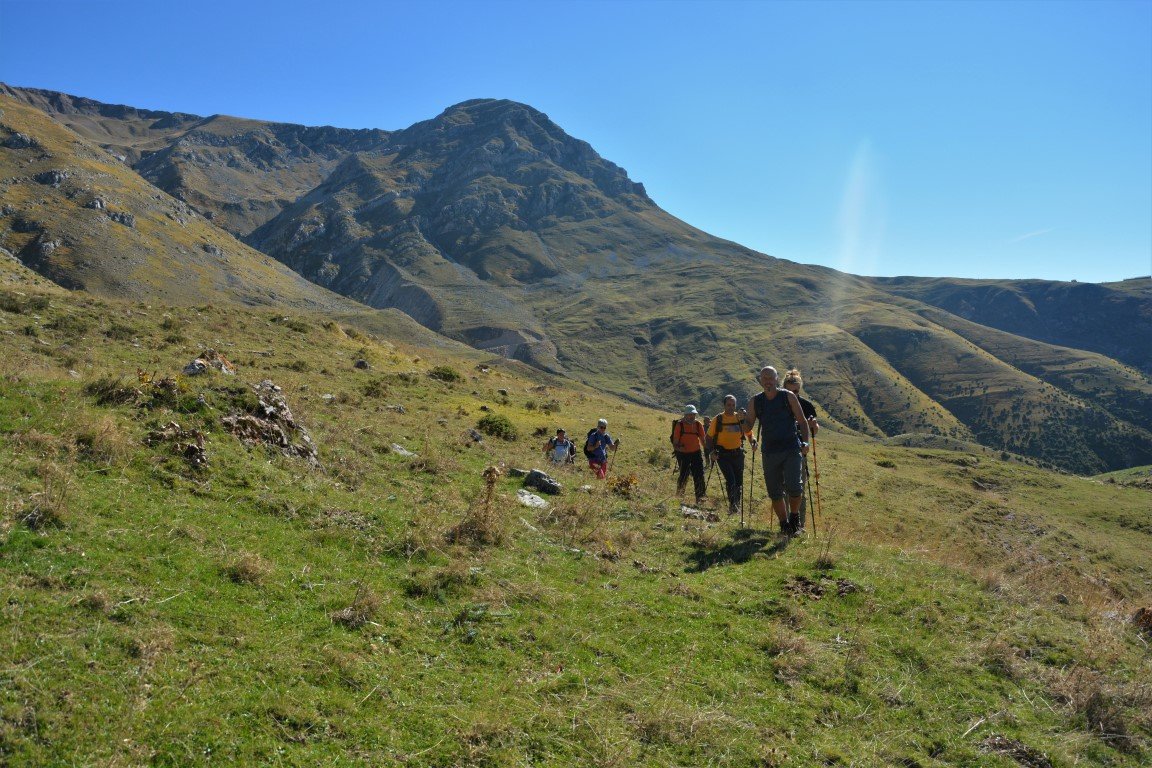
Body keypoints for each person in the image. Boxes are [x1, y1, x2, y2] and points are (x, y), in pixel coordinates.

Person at [743, 366, 811, 535]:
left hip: (791, 449)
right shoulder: (755, 401)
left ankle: (794, 517)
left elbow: (802, 422)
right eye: (764, 378)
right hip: (769, 452)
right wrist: (739, 422)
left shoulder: (788, 397)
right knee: (774, 493)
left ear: (776, 379)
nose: (767, 381)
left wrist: (806, 442)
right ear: (760, 381)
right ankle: (784, 525)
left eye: (770, 377)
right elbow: (748, 425)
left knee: (795, 488)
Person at [708, 394, 756, 515]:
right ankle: (733, 507)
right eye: (728, 405)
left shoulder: (739, 418)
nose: (731, 407)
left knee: (738, 482)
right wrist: (711, 452)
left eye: (733, 405)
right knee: (731, 480)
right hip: (722, 455)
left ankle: (736, 506)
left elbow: (749, 433)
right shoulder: (718, 419)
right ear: (724, 405)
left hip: (738, 454)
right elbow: (708, 438)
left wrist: (753, 442)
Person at [671, 405, 707, 504]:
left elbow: (703, 441)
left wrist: (709, 450)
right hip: (683, 454)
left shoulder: (698, 425)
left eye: (693, 414)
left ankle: (700, 499)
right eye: (690, 415)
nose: (692, 417)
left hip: (696, 453)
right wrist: (679, 448)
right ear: (685, 415)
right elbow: (675, 443)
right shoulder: (679, 425)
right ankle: (679, 496)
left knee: (699, 475)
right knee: (684, 475)